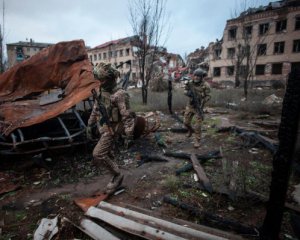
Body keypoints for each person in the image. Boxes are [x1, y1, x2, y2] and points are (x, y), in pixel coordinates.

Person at [86, 62, 136, 194]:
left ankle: (117, 175)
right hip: (104, 126)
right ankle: (115, 176)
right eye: (99, 80)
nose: (100, 83)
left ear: (110, 79)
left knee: (98, 154)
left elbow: (127, 116)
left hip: (114, 127)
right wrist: (90, 124)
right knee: (107, 152)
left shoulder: (119, 94)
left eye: (102, 80)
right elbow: (96, 109)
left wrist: (129, 135)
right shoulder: (102, 91)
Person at [183, 68, 210, 148]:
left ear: (201, 77)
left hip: (199, 107)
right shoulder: (190, 83)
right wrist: (188, 93)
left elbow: (208, 96)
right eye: (195, 75)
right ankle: (190, 131)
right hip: (190, 105)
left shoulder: (205, 85)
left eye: (198, 76)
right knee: (186, 122)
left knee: (198, 126)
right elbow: (185, 90)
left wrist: (202, 99)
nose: (196, 77)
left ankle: (197, 140)